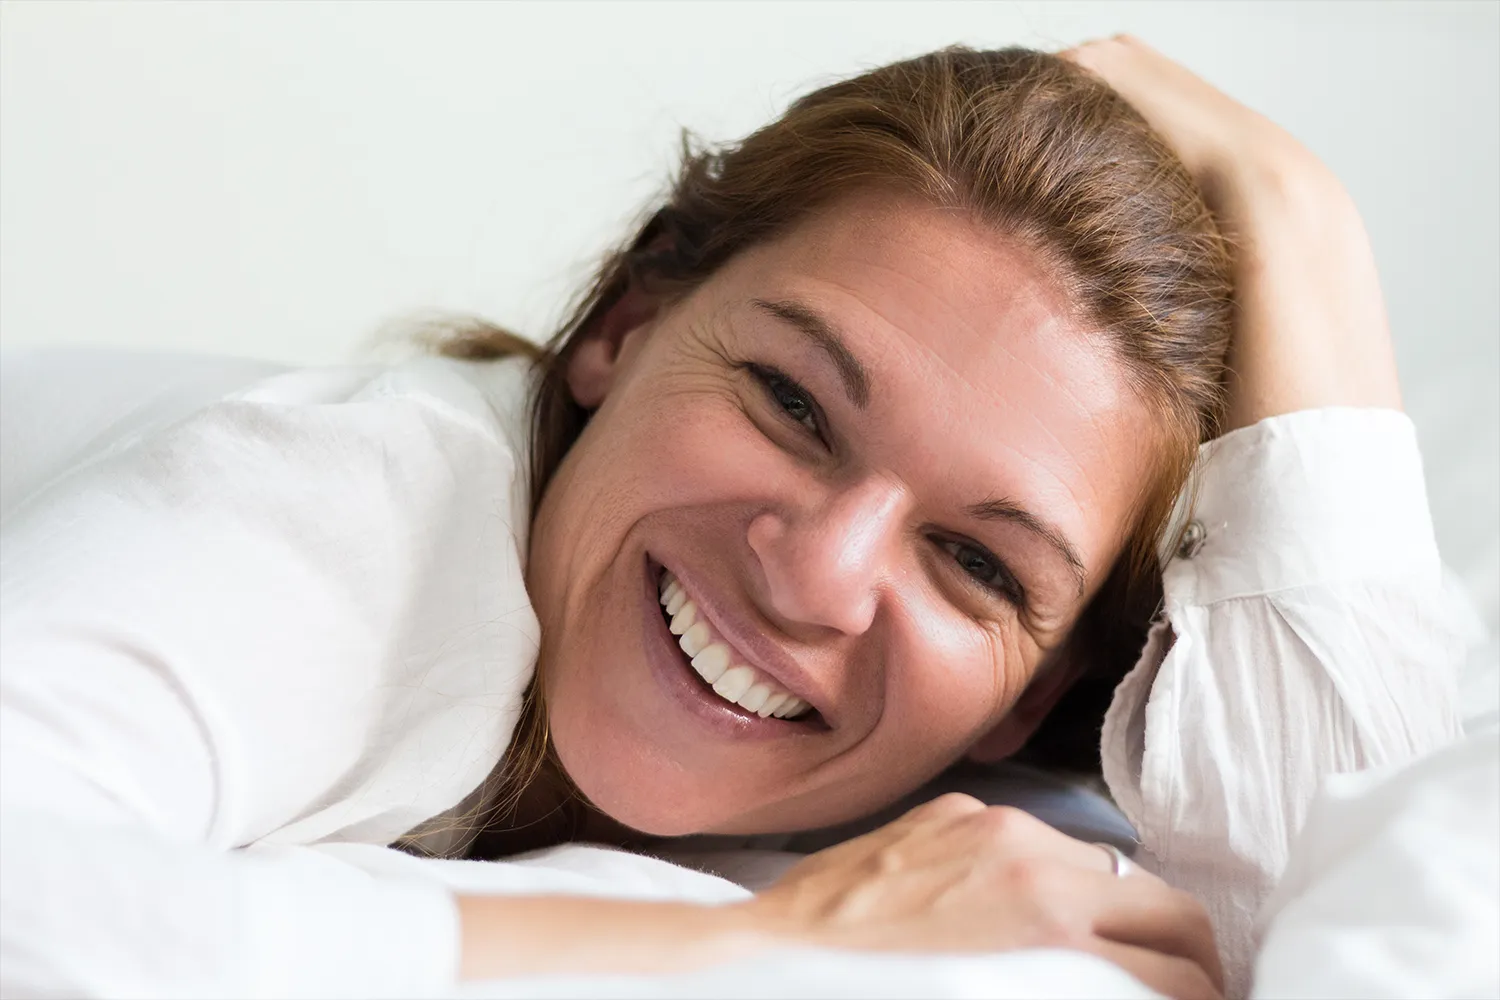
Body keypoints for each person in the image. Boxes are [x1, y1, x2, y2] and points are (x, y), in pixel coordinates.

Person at [0, 37, 1468, 1000]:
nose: (820, 575)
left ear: (1046, 697)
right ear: (626, 325)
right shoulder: (339, 509)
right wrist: (748, 946)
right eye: (792, 403)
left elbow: (1354, 923)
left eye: (971, 562)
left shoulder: (982, 806)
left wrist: (1301, 225)